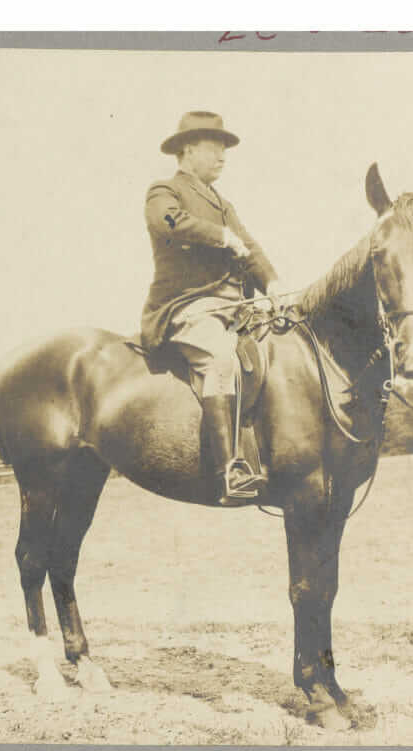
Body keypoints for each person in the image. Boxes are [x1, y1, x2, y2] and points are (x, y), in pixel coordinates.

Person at [140, 111, 281, 505]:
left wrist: (273, 283)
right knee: (221, 359)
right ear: (188, 149)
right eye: (215, 148)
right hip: (187, 308)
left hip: (233, 310)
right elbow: (170, 222)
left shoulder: (222, 202)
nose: (223, 157)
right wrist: (221, 236)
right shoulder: (163, 192)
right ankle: (230, 472)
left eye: (225, 150)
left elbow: (248, 246)